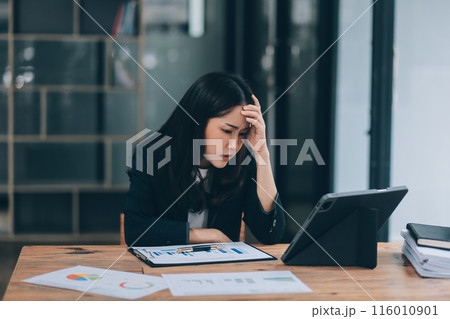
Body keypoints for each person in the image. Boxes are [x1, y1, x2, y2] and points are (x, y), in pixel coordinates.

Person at [124, 72, 285, 246]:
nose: (233, 145)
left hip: (218, 271)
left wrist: (262, 153)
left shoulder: (241, 162)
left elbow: (270, 234)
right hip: (163, 270)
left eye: (243, 134)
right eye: (227, 131)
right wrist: (211, 235)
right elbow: (136, 230)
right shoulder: (152, 155)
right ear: (198, 121)